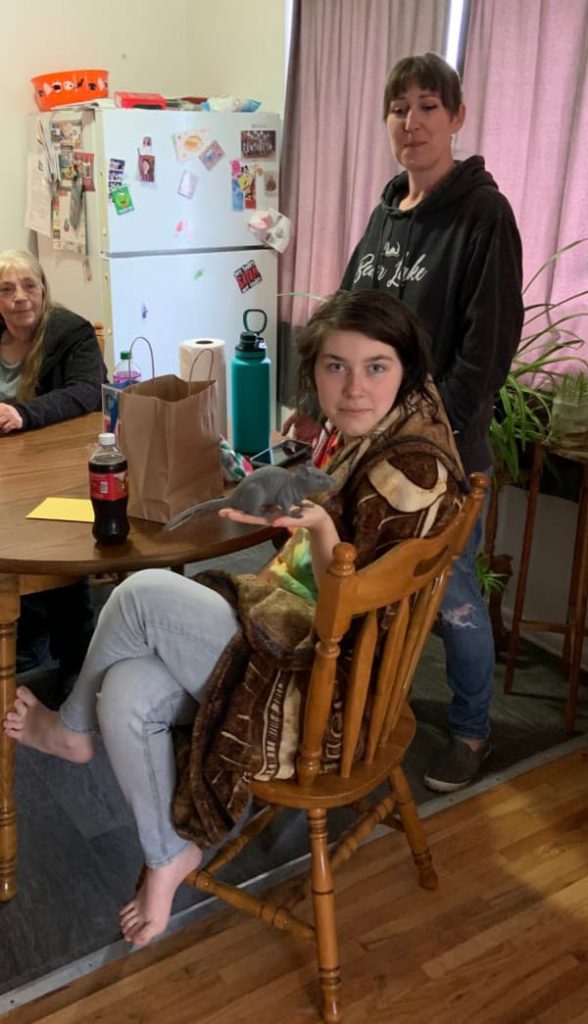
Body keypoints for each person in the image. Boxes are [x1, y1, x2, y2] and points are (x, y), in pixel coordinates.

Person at [4, 289, 466, 948]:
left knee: (139, 594)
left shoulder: (411, 473)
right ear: (314, 371)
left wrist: (323, 535)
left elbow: (353, 611)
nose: (354, 386)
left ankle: (69, 730)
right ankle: (168, 854)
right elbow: (314, 541)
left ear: (407, 368)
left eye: (376, 366)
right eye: (336, 366)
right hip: (291, 629)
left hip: (325, 694)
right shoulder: (379, 432)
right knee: (129, 687)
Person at [286, 53, 524, 793]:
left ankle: (472, 729)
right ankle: (363, 710)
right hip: (367, 451)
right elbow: (342, 317)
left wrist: (430, 443)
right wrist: (310, 398)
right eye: (399, 109)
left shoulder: (484, 215)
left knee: (449, 596)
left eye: (428, 107)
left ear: (456, 117)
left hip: (439, 459)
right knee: (364, 585)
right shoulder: (389, 210)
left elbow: (487, 353)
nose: (412, 122)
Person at [0, 249, 107, 676]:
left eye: (28, 286)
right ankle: (26, 623)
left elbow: (89, 391)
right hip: (9, 464)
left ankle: (73, 654)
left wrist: (23, 414)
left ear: (44, 291)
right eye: (6, 289)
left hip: (55, 463)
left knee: (58, 542)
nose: (18, 297)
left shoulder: (70, 332)